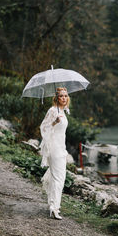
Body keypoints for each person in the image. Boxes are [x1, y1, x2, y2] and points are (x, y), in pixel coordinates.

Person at [40, 87, 70, 220]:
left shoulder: (63, 111)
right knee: (58, 178)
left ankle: (53, 205)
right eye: (61, 96)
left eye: (65, 95)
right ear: (56, 98)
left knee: (58, 178)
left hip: (61, 148)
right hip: (54, 149)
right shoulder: (52, 111)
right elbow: (44, 127)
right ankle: (54, 208)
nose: (64, 98)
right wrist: (54, 122)